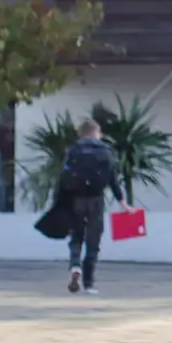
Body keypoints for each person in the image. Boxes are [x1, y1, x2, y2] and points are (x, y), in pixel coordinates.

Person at [58, 119, 121, 296]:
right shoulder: (105, 151)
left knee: (76, 236)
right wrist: (122, 201)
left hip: (76, 199)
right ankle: (89, 283)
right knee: (93, 241)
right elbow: (113, 179)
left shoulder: (73, 151)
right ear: (95, 132)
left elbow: (63, 177)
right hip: (96, 199)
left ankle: (75, 265)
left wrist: (60, 200)